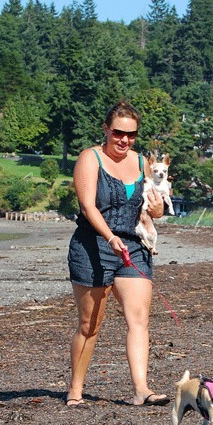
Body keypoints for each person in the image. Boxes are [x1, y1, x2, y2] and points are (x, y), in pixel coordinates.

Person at [65, 100, 169, 407]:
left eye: (131, 134)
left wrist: (158, 211)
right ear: (106, 130)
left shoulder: (141, 162)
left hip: (133, 246)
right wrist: (109, 237)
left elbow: (153, 208)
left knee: (138, 319)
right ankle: (75, 389)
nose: (124, 140)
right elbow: (88, 206)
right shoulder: (90, 158)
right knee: (90, 325)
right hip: (93, 246)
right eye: (118, 133)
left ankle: (141, 390)